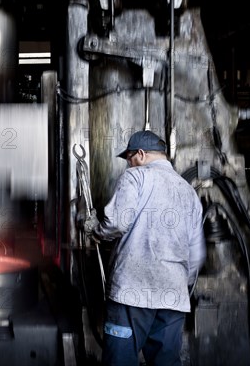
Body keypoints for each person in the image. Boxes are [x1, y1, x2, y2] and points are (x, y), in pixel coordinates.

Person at [83, 130, 206, 366]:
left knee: (119, 361)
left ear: (140, 154)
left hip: (132, 291)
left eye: (129, 158)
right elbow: (196, 255)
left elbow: (117, 222)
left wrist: (95, 231)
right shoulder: (189, 192)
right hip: (173, 297)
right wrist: (177, 282)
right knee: (166, 362)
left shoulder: (136, 177)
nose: (129, 165)